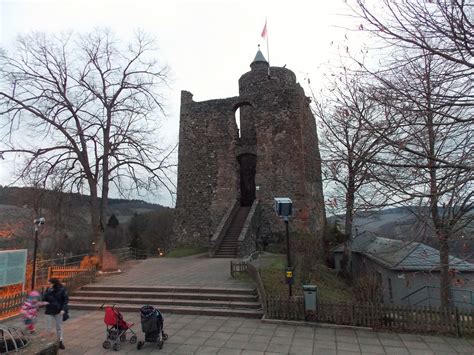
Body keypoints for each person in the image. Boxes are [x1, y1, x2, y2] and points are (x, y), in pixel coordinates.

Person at [42, 278, 69, 350]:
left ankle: (60, 341)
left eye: (50, 283)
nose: (48, 285)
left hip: (58, 311)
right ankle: (48, 342)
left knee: (59, 327)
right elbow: (44, 299)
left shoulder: (62, 289)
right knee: (48, 328)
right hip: (49, 310)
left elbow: (65, 300)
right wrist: (46, 291)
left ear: (54, 283)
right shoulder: (48, 289)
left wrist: (63, 309)